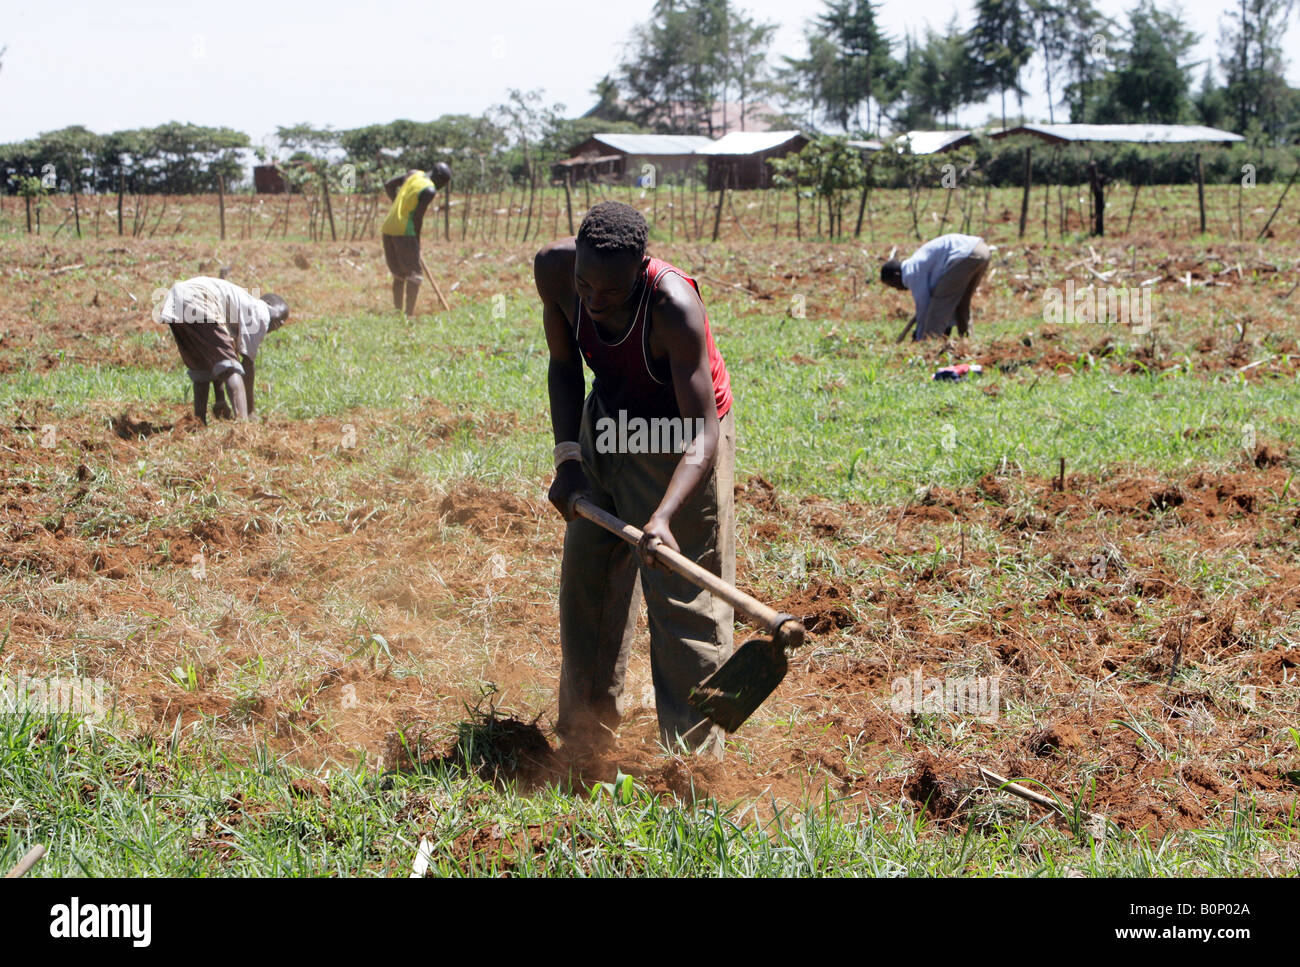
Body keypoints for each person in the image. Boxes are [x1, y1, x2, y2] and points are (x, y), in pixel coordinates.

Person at [534, 201, 735, 760]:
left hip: (680, 434)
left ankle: (694, 759)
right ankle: (585, 736)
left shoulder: (674, 306)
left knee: (682, 594)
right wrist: (569, 457)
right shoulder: (553, 270)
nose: (593, 300)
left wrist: (665, 515)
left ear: (641, 271)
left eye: (610, 291)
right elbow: (563, 363)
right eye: (585, 286)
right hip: (608, 420)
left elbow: (703, 435)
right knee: (587, 576)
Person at [157, 276, 289, 423]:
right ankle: (243, 425)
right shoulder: (260, 313)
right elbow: (247, 364)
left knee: (201, 367)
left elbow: (215, 358)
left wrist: (220, 400)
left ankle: (198, 422)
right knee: (232, 368)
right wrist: (251, 411)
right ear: (279, 323)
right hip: (198, 299)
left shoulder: (238, 307)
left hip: (175, 300)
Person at [881, 233, 991, 340]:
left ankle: (928, 344)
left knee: (940, 303)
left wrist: (919, 335)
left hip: (966, 255)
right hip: (981, 250)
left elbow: (924, 307)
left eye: (894, 285)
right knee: (961, 302)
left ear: (897, 275)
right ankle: (968, 341)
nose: (898, 289)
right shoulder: (917, 262)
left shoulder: (911, 273)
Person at [381, 164, 451, 317]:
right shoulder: (429, 190)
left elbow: (389, 185)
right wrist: (416, 242)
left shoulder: (413, 174)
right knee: (415, 275)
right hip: (405, 230)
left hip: (388, 227)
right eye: (443, 183)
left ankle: (398, 312)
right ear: (439, 179)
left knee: (399, 275)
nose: (441, 187)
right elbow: (417, 217)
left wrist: (398, 204)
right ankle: (408, 315)